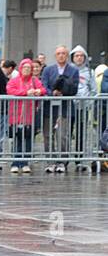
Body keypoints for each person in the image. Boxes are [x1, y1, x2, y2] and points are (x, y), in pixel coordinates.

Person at [40, 45, 78, 173]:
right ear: (55, 56)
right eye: (58, 53)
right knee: (47, 135)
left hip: (65, 107)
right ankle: (50, 161)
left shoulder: (73, 70)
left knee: (63, 135)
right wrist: (52, 93)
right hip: (49, 107)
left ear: (67, 56)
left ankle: (62, 161)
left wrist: (64, 93)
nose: (61, 55)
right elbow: (44, 86)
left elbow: (74, 88)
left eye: (63, 53)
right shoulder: (48, 70)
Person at [5, 57, 42, 174]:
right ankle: (15, 162)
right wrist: (25, 93)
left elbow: (42, 89)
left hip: (29, 115)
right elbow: (10, 90)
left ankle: (25, 162)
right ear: (20, 68)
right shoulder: (14, 80)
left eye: (29, 67)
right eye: (25, 67)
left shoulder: (34, 80)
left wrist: (38, 92)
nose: (27, 69)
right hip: (16, 115)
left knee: (28, 139)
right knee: (17, 139)